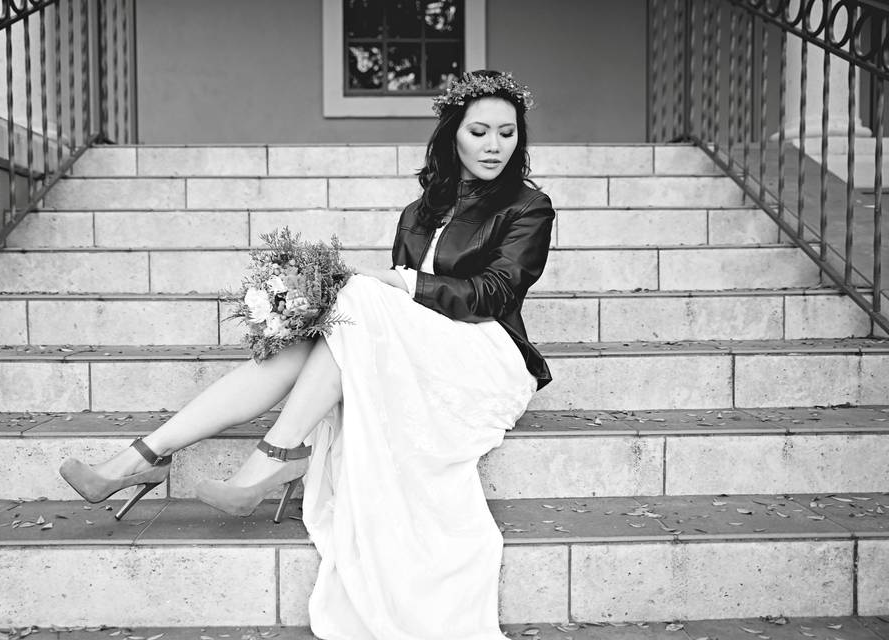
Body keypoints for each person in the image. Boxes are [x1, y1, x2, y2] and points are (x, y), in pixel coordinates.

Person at [59, 69, 555, 639]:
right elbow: (393, 308)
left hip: (486, 353)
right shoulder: (420, 210)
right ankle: (139, 459)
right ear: (452, 136)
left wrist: (396, 284)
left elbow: (493, 293)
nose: (494, 145)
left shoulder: (528, 207)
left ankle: (269, 454)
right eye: (479, 131)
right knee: (308, 339)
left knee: (361, 298)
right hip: (420, 343)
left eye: (507, 133)